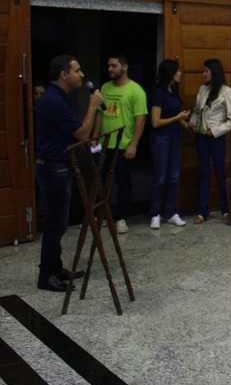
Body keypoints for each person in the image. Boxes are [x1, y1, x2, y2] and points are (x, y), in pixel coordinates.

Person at [34, 54, 102, 291]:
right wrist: (93, 106)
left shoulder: (61, 98)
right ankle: (46, 277)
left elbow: (82, 134)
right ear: (64, 75)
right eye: (77, 70)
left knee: (59, 222)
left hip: (60, 166)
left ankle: (56, 267)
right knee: (54, 224)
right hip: (54, 168)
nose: (81, 75)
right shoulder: (54, 101)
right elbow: (82, 134)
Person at [100, 55, 147, 234]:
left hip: (124, 145)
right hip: (104, 145)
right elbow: (100, 114)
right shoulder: (105, 87)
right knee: (102, 182)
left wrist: (133, 145)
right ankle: (103, 215)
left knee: (123, 183)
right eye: (109, 66)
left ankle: (121, 218)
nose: (110, 69)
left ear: (124, 67)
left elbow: (141, 120)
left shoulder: (136, 91)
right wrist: (95, 138)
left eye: (114, 66)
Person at [191, 59, 231, 224]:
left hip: (216, 139)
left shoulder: (226, 92)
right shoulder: (202, 89)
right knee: (204, 173)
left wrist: (217, 130)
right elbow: (197, 111)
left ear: (214, 72)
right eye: (203, 71)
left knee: (220, 173)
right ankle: (202, 211)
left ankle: (225, 208)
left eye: (206, 71)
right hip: (201, 137)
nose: (203, 74)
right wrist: (192, 122)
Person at [148, 59, 190, 230]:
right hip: (161, 139)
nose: (181, 74)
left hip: (175, 138)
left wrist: (187, 123)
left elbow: (177, 116)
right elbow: (155, 122)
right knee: (160, 177)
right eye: (178, 71)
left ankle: (171, 212)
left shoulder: (173, 91)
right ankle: (155, 214)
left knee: (174, 176)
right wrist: (177, 118)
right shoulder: (158, 92)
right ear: (170, 73)